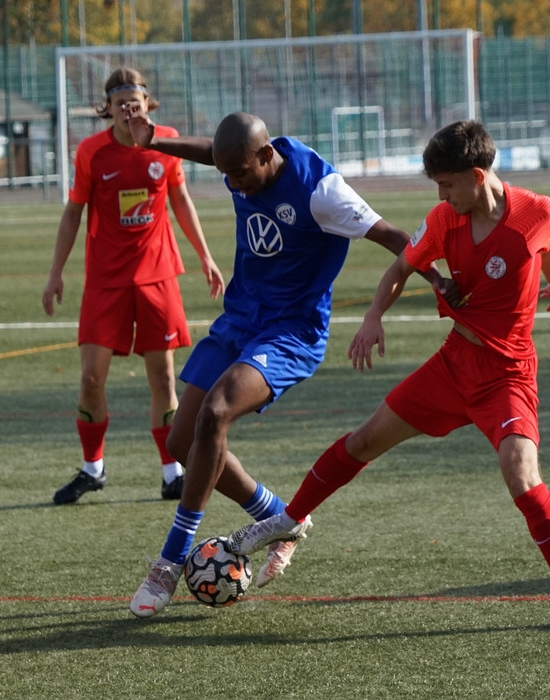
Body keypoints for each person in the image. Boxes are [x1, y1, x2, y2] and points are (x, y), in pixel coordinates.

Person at [225, 120, 550, 633]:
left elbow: (548, 246)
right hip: (451, 366)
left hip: (507, 376)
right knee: (362, 441)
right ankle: (287, 521)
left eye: (447, 185)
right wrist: (373, 316)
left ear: (477, 176)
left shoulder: (537, 211)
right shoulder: (444, 221)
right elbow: (400, 267)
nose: (441, 196)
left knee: (523, 478)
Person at [124, 110, 449, 617]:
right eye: (227, 175)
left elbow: (391, 235)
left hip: (290, 333)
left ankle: (169, 562)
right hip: (240, 319)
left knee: (216, 411)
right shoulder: (240, 162)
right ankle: (279, 516)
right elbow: (213, 153)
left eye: (240, 174)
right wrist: (155, 143)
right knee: (182, 442)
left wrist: (439, 280)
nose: (235, 185)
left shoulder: (322, 191)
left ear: (266, 155)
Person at [42, 67, 225, 505]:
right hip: (105, 280)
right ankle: (93, 468)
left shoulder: (167, 142)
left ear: (147, 105)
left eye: (135, 102)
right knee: (91, 378)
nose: (128, 110)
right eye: (120, 103)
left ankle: (171, 472)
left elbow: (180, 200)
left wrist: (205, 256)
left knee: (163, 377)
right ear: (107, 108)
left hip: (157, 277)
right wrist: (55, 272)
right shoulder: (91, 152)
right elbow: (73, 213)